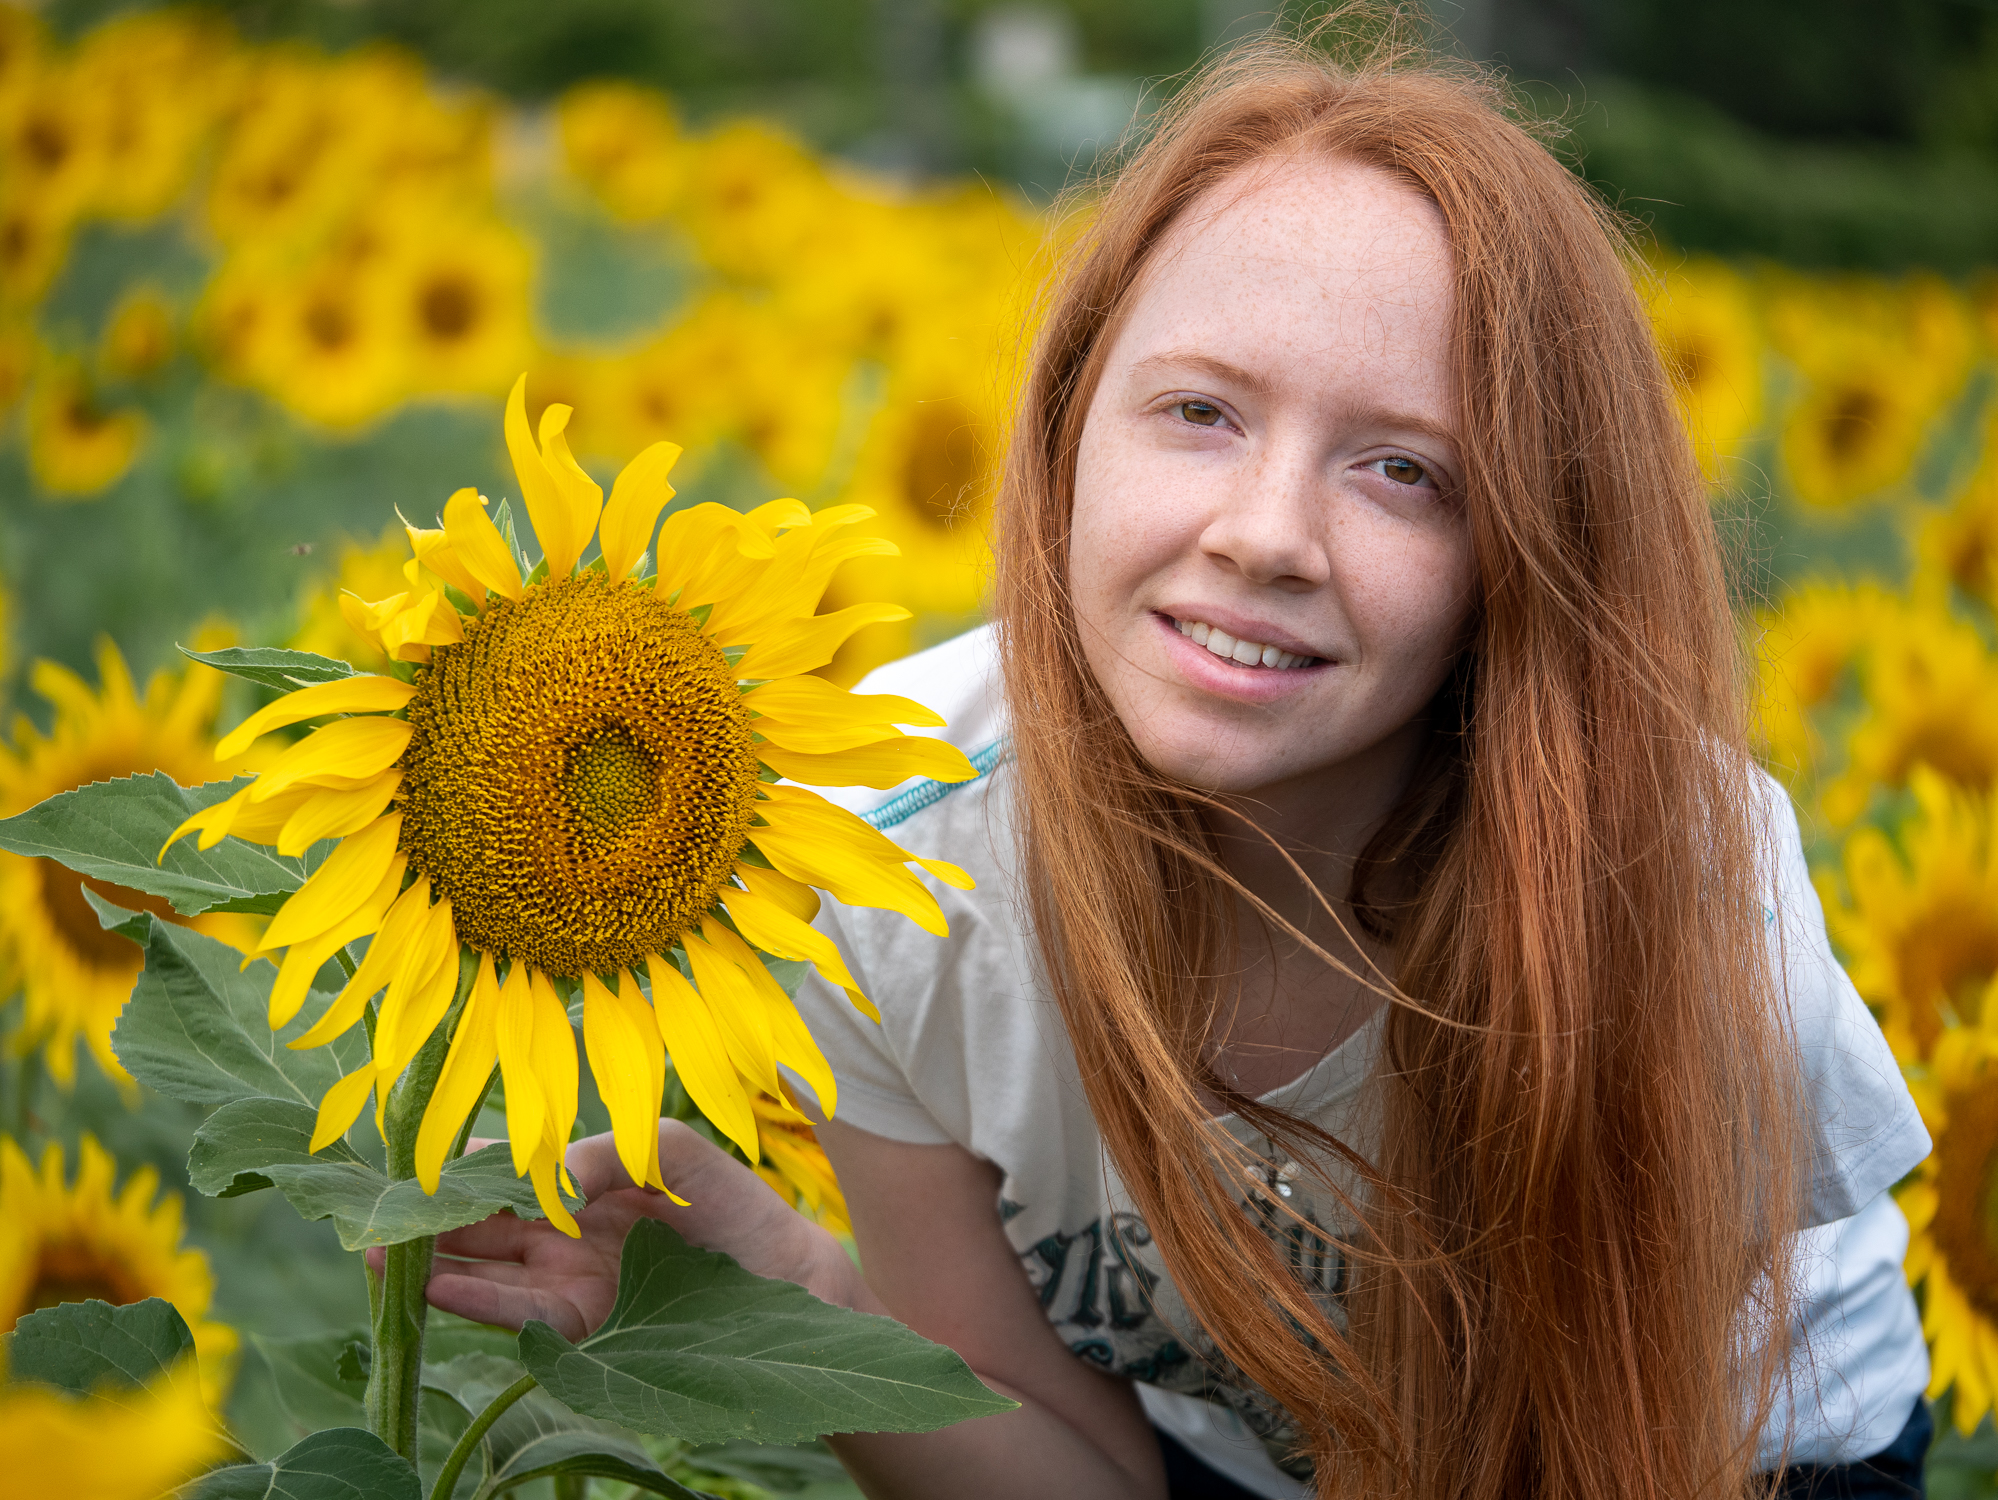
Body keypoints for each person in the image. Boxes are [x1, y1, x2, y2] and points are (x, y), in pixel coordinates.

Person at [416, 22, 1933, 1500]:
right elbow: (1056, 1459)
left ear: (1517, 553)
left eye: (1401, 470)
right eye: (1199, 412)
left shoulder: (1674, 906)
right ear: (1071, 427)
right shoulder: (880, 847)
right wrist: (782, 1281)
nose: (1263, 533)